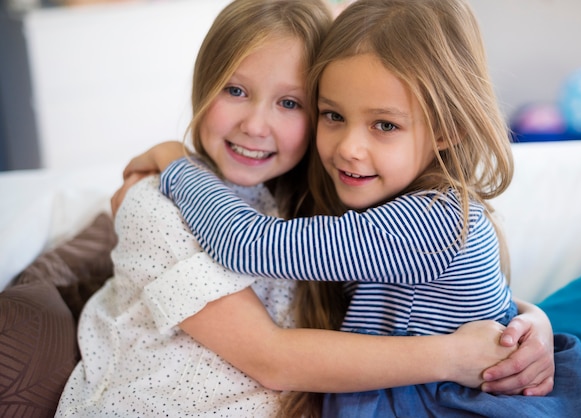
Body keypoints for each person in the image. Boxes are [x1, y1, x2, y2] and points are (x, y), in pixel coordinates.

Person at [57, 1, 554, 417]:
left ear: (448, 130)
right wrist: (518, 326)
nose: (350, 149)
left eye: (291, 103)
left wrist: (172, 160)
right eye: (334, 116)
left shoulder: (428, 217)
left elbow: (248, 243)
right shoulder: (342, 201)